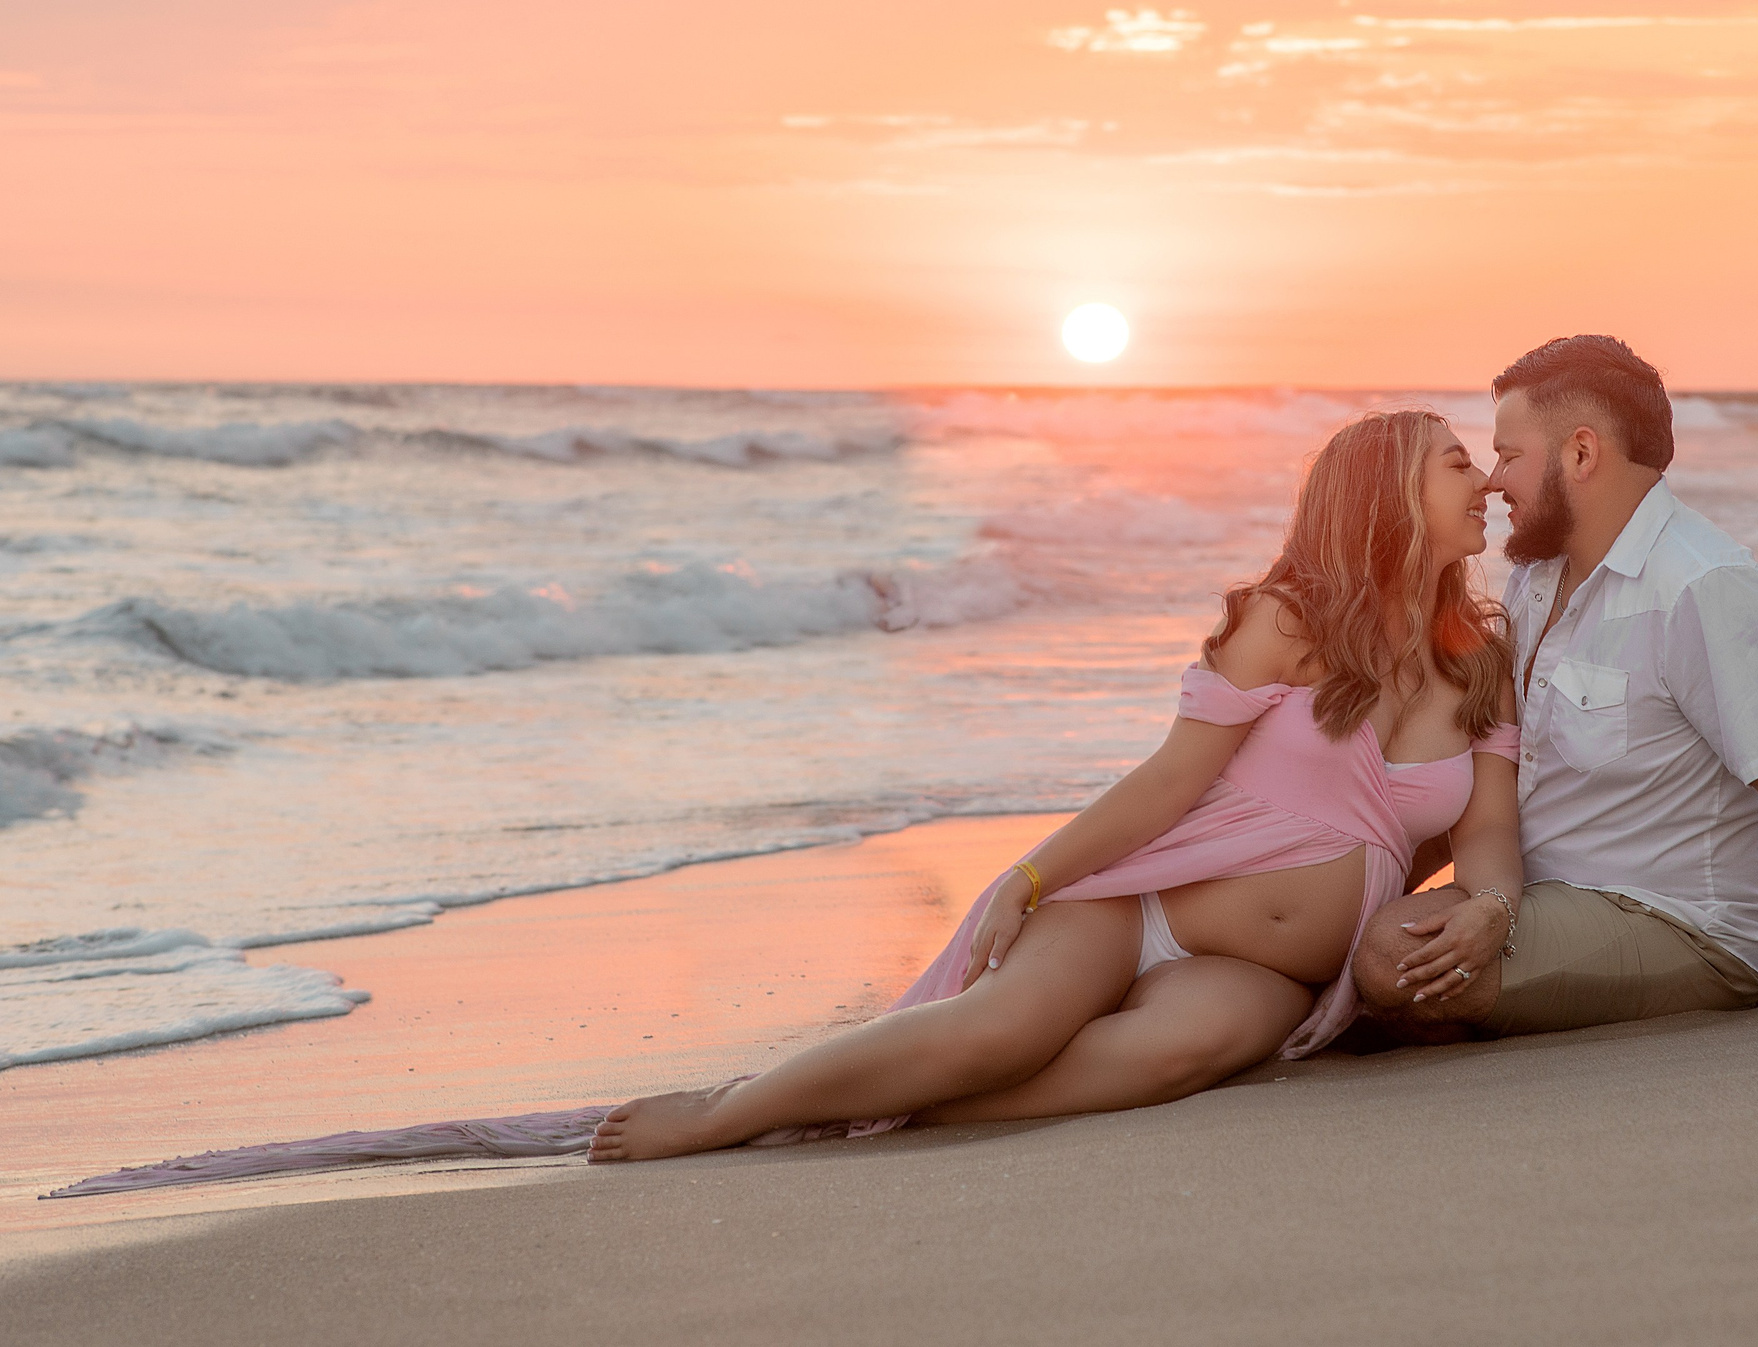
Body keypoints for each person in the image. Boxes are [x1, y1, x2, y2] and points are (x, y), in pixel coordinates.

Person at [590, 409, 1523, 1162]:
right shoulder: (1290, 620)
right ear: (1383, 488)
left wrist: (1491, 910)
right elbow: (1169, 779)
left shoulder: (1479, 666)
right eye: (1455, 463)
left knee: (1174, 1058)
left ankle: (898, 1112)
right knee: (999, 1032)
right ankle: (730, 1112)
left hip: (1268, 972)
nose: (1483, 481)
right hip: (1139, 909)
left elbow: (1486, 840)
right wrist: (1028, 878)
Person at [1355, 335, 1758, 1043]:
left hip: (1688, 924)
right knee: (1349, 934)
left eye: (1509, 454)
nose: (1490, 480)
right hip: (1543, 901)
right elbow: (1494, 784)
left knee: (1394, 956)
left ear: (1581, 453)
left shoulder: (1706, 588)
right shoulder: (1534, 579)